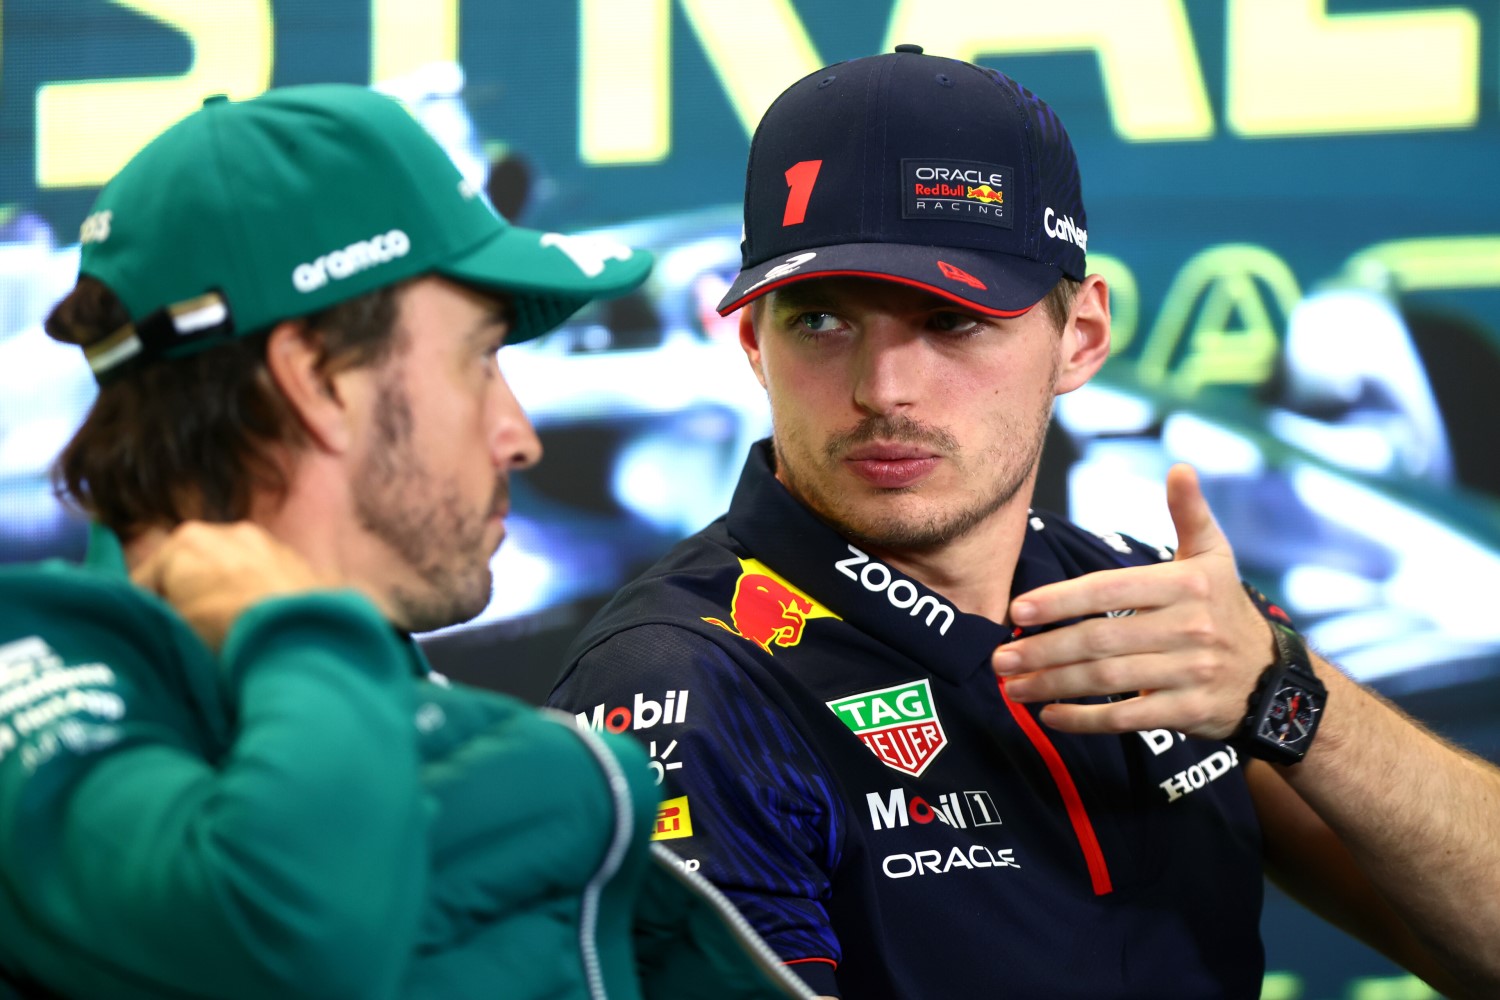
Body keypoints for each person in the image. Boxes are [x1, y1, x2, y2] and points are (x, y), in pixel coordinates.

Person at [546, 47, 1500, 999]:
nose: (885, 391)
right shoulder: (684, 685)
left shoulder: (1148, 613)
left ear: (1079, 337)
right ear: (754, 344)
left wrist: (1288, 695)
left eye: (953, 321)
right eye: (823, 322)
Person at [0, 84, 813, 1000]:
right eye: (479, 358)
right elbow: (290, 927)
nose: (519, 433)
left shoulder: (374, 688)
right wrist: (310, 630)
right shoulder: (41, 687)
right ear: (319, 381)